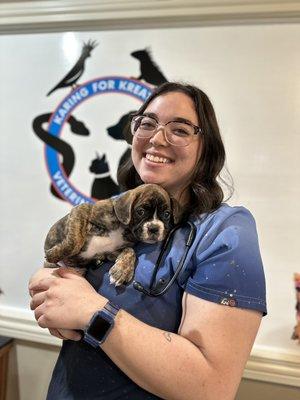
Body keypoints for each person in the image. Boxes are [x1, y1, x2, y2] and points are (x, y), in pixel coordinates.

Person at [29, 82, 267, 400]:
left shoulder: (226, 232)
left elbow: (211, 388)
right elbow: (63, 273)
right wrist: (48, 284)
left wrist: (92, 312)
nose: (156, 138)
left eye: (180, 129)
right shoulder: (116, 208)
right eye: (147, 123)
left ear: (206, 147)